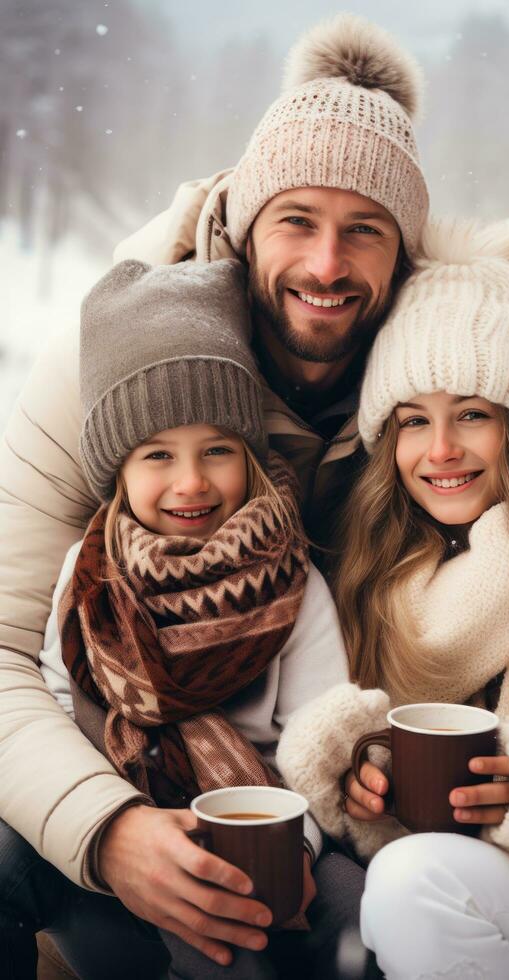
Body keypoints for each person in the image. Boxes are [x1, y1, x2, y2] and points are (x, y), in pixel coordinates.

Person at [0, 13, 427, 977]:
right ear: (239, 229)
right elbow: (9, 657)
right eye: (297, 223)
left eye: (365, 231)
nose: (327, 266)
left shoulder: (434, 382)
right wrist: (108, 830)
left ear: (404, 256)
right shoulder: (114, 368)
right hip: (105, 818)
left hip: (293, 832)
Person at [276, 219, 509, 980]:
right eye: (414, 420)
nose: (441, 449)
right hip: (452, 926)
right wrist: (363, 787)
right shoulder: (370, 586)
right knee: (405, 879)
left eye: (473, 414)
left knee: (416, 881)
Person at [26, 255, 370, 979]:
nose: (191, 482)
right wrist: (118, 826)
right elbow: (61, 706)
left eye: (218, 450)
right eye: (157, 455)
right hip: (123, 833)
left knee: (351, 912)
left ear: (250, 456)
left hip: (261, 830)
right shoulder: (91, 576)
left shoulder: (289, 578)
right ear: (117, 471)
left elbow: (320, 735)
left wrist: (296, 846)